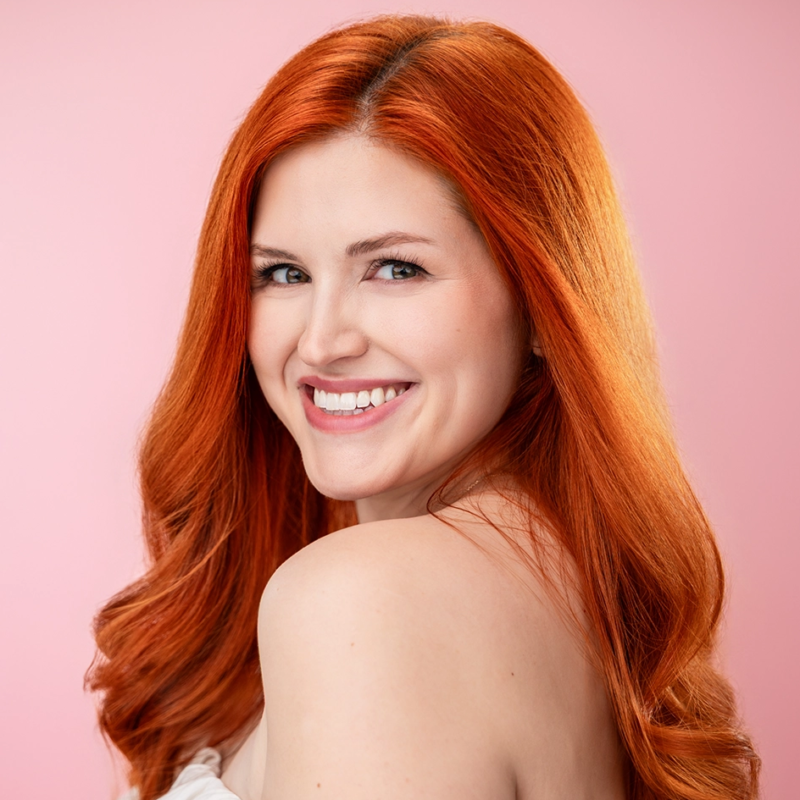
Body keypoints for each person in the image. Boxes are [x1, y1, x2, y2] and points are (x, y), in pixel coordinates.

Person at [87, 14, 760, 800]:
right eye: (281, 274)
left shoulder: (362, 602)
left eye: (397, 269)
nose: (322, 340)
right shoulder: (572, 585)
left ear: (543, 303)